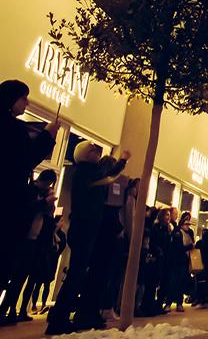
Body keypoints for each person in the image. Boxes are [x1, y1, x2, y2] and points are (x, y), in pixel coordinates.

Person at [46, 142, 128, 335]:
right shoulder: (85, 173)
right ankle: (59, 318)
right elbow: (107, 178)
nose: (97, 152)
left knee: (78, 272)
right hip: (84, 229)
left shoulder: (88, 173)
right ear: (84, 155)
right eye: (93, 150)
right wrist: (122, 161)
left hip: (86, 229)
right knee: (76, 273)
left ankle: (62, 316)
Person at [0, 80, 59, 302]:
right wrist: (47, 136)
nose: (27, 103)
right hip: (7, 203)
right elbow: (24, 161)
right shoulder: (12, 128)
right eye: (23, 98)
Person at [0, 168, 57, 324]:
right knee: (10, 275)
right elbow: (25, 211)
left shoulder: (43, 196)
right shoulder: (29, 192)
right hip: (20, 240)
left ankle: (8, 310)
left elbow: (47, 218)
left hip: (34, 241)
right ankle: (6, 310)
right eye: (47, 183)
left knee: (20, 278)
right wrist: (44, 202)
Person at [167, 212, 195, 311]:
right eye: (186, 223)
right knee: (173, 282)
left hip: (185, 261)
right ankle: (168, 303)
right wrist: (190, 246)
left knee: (181, 282)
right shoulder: (177, 232)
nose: (188, 226)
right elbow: (177, 248)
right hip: (177, 261)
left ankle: (179, 302)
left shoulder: (190, 233)